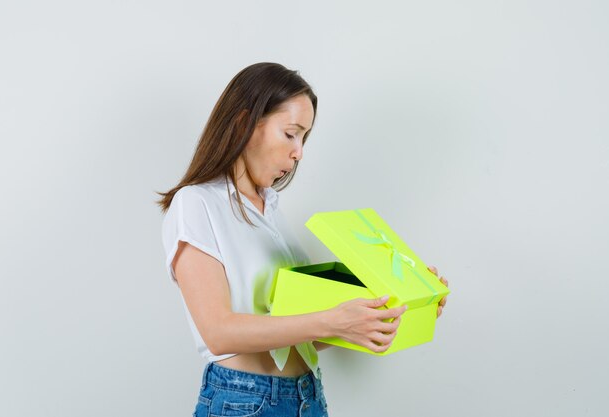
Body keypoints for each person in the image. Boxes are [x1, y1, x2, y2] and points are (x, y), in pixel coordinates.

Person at [156, 62, 449, 417]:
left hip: (307, 397)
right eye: (291, 133)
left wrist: (388, 313)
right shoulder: (197, 203)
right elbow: (218, 332)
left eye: (304, 138)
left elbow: (293, 337)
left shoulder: (271, 211)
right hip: (245, 401)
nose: (299, 153)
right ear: (245, 123)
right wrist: (334, 320)